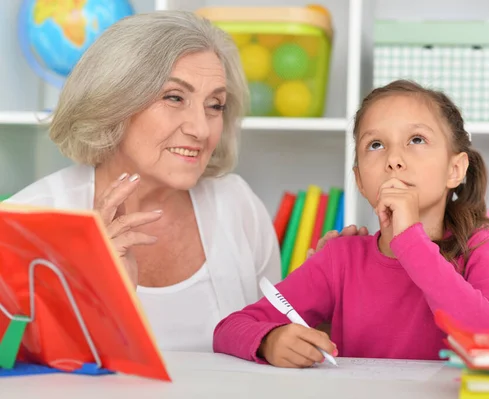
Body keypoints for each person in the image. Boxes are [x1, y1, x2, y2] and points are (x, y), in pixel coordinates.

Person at [3, 10, 357, 353]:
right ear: (112, 101)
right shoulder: (25, 222)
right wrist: (93, 291)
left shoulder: (237, 205)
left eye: (215, 105)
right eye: (174, 97)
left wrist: (321, 302)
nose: (201, 129)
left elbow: (264, 353)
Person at [212, 79, 489, 368]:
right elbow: (230, 329)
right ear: (359, 180)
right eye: (375, 145)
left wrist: (411, 242)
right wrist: (269, 340)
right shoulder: (339, 258)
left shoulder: (481, 245)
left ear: (455, 169)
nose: (394, 159)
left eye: (416, 139)